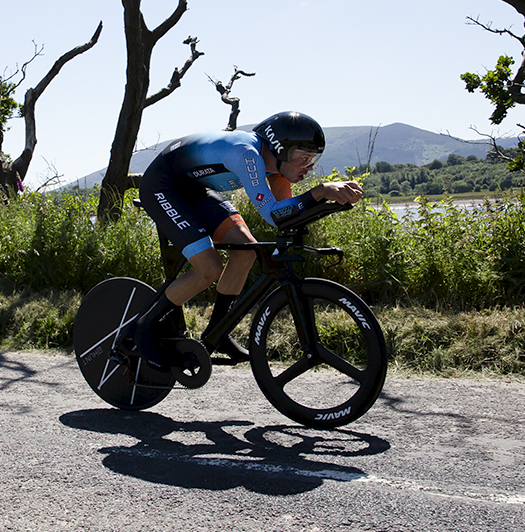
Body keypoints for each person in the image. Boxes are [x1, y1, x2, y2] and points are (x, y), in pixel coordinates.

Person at [132, 111, 363, 370]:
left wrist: (328, 197)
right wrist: (320, 192)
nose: (309, 167)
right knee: (209, 269)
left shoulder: (276, 168)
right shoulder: (247, 154)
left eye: (313, 159)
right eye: (304, 158)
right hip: (163, 185)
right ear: (281, 149)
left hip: (196, 188)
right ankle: (144, 327)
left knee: (245, 252)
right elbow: (274, 215)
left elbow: (286, 214)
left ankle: (218, 333)